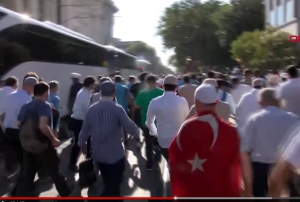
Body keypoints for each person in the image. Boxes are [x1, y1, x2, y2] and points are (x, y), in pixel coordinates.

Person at [168, 84, 241, 197]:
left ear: (196, 102)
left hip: (192, 192)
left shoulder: (185, 128)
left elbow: (174, 155)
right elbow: (235, 166)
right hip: (220, 192)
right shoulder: (231, 131)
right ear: (216, 103)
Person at [79, 81, 140, 196]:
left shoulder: (91, 109)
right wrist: (137, 135)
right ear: (114, 92)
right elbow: (130, 127)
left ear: (101, 92)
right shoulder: (117, 109)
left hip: (98, 154)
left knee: (109, 182)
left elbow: (84, 130)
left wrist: (82, 144)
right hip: (115, 155)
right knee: (114, 185)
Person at [15, 82, 71, 196]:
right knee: (55, 172)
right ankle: (67, 195)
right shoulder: (44, 105)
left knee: (27, 175)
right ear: (46, 92)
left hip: (28, 145)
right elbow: (43, 126)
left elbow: (18, 123)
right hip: (43, 145)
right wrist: (53, 139)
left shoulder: (26, 106)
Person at [244, 88, 299, 197]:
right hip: (286, 168)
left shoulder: (254, 119)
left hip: (260, 166)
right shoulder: (294, 118)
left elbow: (246, 147)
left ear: (261, 102)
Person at [146, 75, 189, 164]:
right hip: (179, 141)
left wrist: (156, 134)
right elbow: (187, 120)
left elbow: (149, 122)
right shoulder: (183, 101)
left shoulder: (154, 101)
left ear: (163, 86)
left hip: (163, 141)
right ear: (176, 88)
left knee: (170, 162)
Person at [3, 77, 38, 176]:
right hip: (19, 131)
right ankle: (23, 182)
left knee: (10, 153)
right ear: (31, 86)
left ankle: (10, 172)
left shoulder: (11, 95)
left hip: (8, 129)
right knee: (23, 157)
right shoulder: (27, 99)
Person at [135, 75, 164, 171]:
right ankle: (158, 153)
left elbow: (137, 107)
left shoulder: (142, 93)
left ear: (146, 83)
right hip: (159, 122)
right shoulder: (161, 92)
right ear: (155, 82)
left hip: (146, 122)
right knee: (158, 140)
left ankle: (149, 164)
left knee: (148, 143)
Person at [69, 76, 96, 172]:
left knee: (83, 142)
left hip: (78, 119)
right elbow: (87, 109)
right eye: (94, 83)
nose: (95, 85)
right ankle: (78, 164)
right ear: (91, 84)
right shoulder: (85, 94)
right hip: (80, 121)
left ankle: (85, 162)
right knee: (80, 142)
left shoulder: (83, 92)